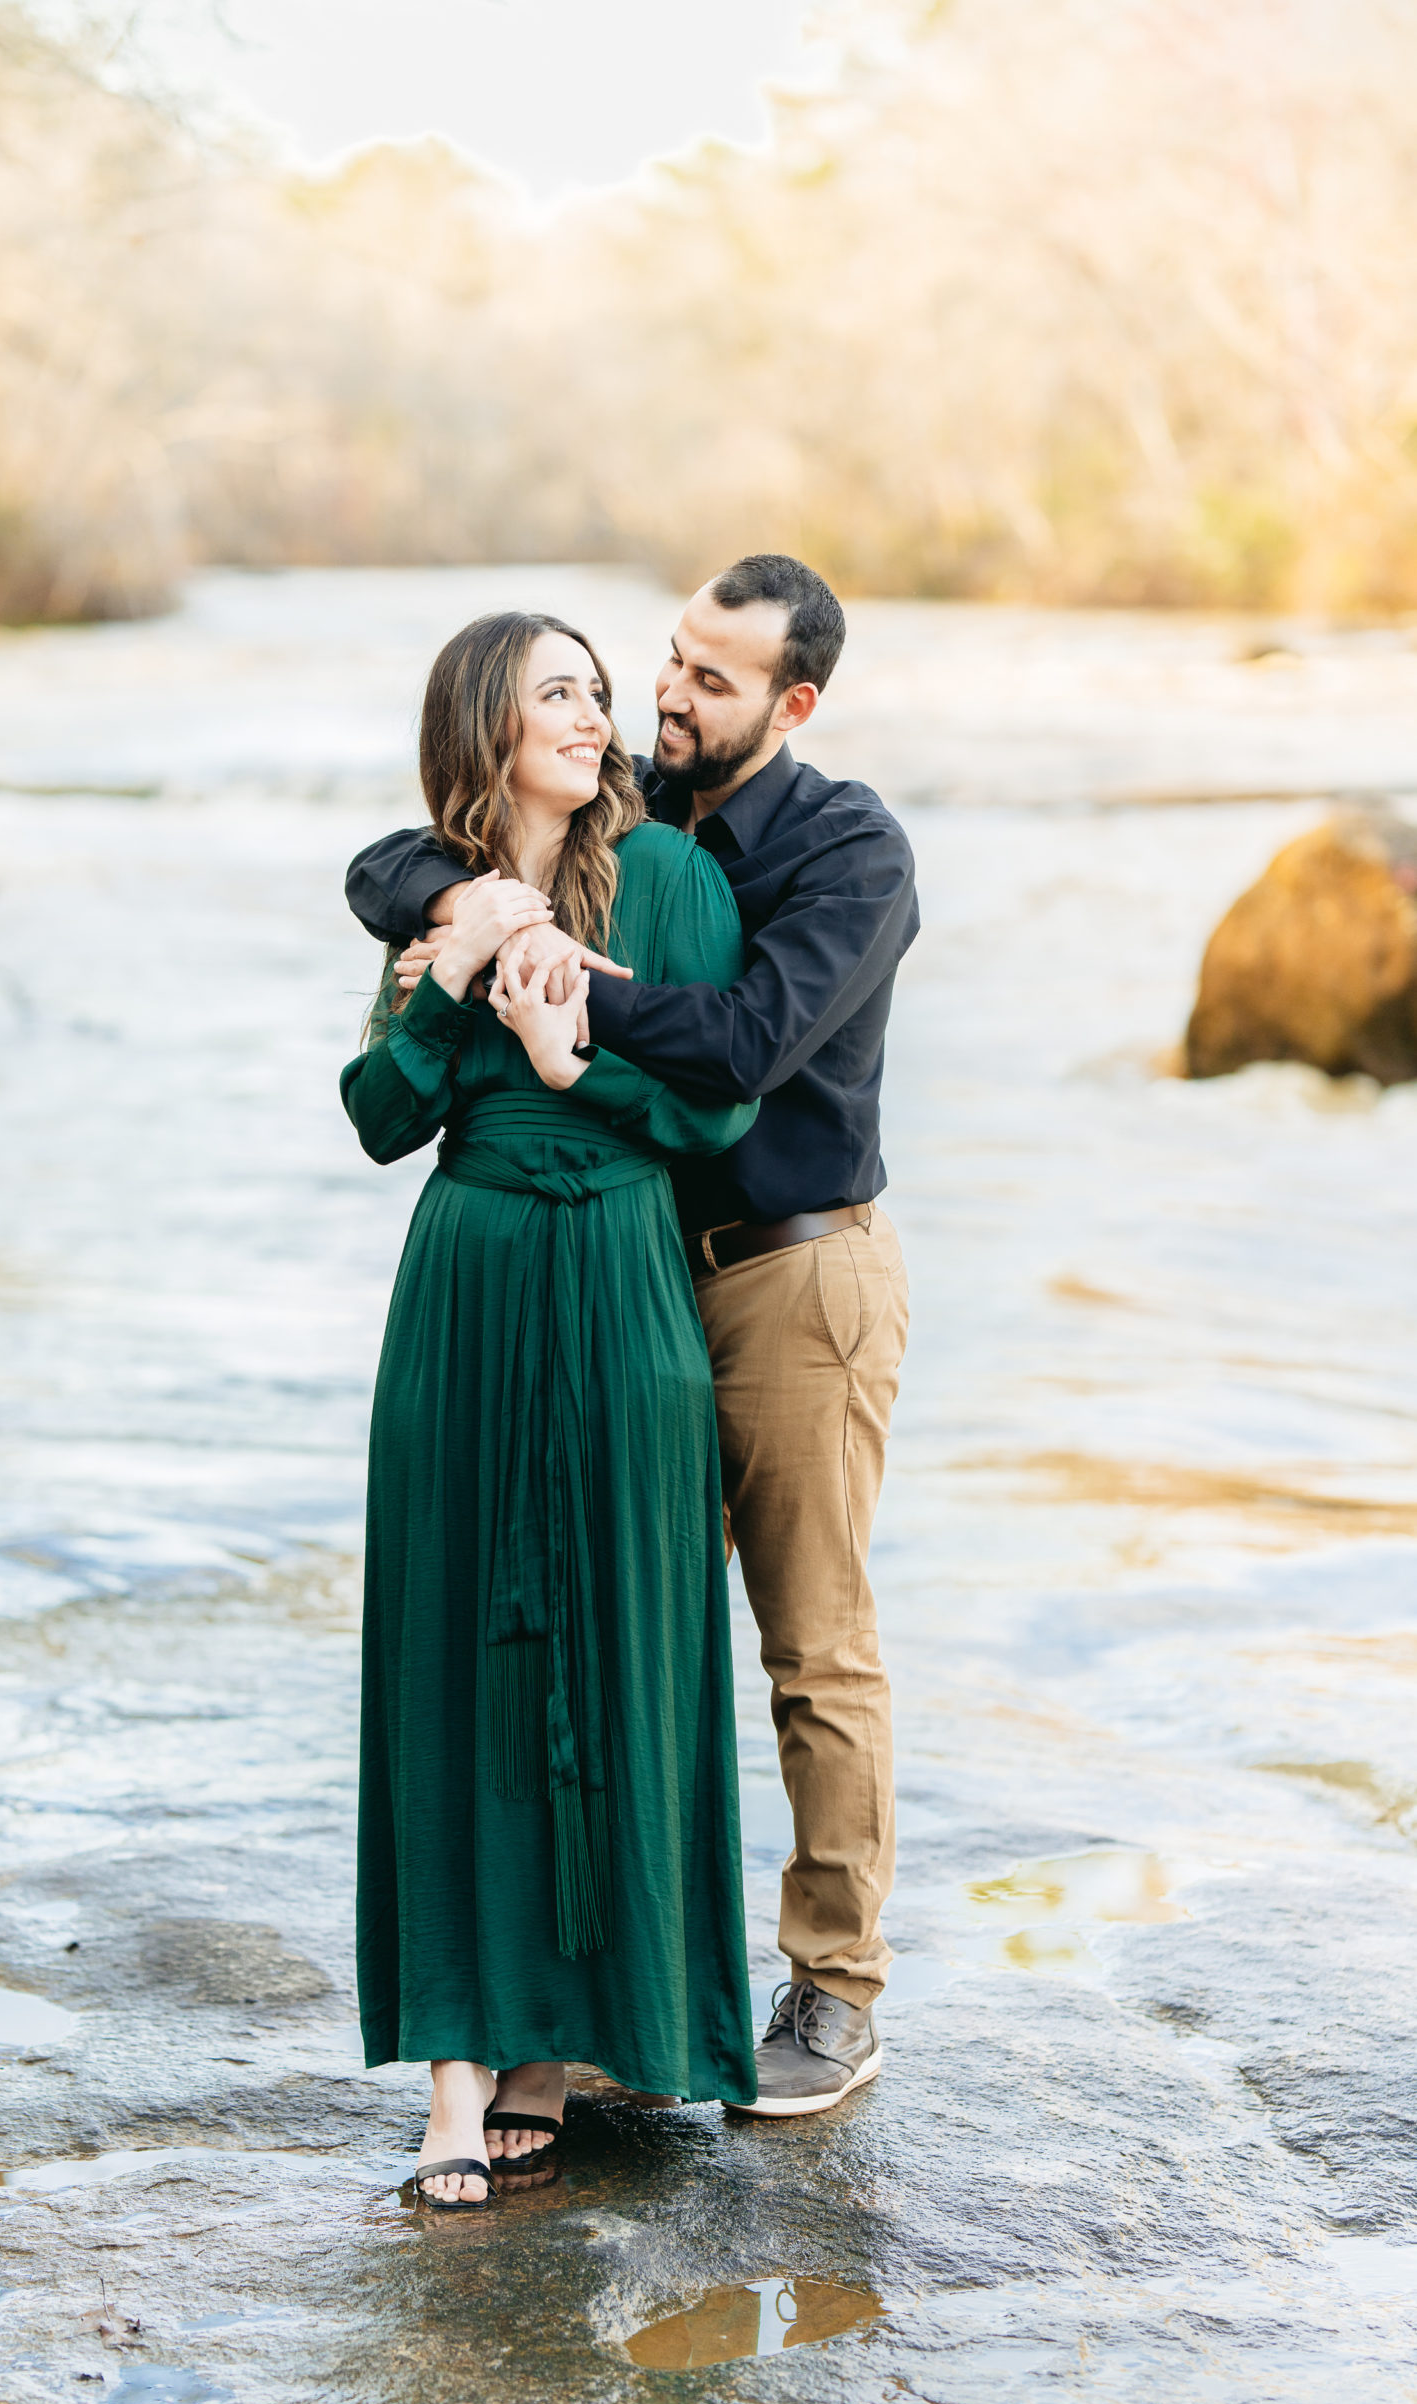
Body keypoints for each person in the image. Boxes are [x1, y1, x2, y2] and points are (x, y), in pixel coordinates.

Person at [347, 555, 917, 2119]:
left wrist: (563, 994)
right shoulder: (634, 810)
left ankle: (834, 1993)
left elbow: (735, 1043)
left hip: (795, 1277)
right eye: (666, 661)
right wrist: (453, 906)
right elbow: (412, 849)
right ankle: (580, 2005)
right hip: (637, 1269)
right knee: (599, 1639)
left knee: (810, 1646)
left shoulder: (847, 848)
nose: (662, 698)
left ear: (793, 705)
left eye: (708, 680)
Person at [340, 608, 761, 2208]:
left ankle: (558, 2044)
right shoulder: (434, 898)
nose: (600, 719)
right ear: (487, 725)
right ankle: (457, 2069)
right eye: (562, 696)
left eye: (600, 692)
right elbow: (381, 1115)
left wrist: (579, 1067)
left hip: (625, 1280)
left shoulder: (669, 880)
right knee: (457, 1660)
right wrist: (451, 986)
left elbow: (721, 1100)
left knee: (616, 1640)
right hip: (470, 1281)